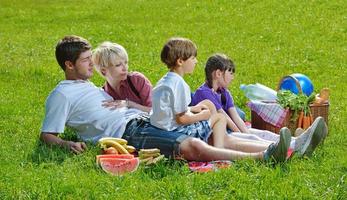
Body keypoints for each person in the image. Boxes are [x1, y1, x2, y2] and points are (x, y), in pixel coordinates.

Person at [150, 37, 294, 162]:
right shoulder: (180, 84)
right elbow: (181, 119)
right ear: (180, 61)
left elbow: (171, 109)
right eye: (193, 58)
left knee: (209, 107)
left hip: (163, 125)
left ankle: (224, 143)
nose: (196, 61)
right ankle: (220, 149)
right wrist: (202, 115)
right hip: (176, 129)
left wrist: (192, 109)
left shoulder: (165, 81)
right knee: (219, 118)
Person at [191, 53, 328, 157]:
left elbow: (235, 116)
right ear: (218, 73)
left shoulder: (224, 92)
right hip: (216, 135)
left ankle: (297, 141)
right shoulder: (204, 93)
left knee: (261, 133)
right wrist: (243, 134)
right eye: (230, 73)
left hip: (227, 131)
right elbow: (224, 117)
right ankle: (293, 147)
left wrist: (246, 131)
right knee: (252, 137)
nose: (233, 77)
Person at [92, 41, 152, 113]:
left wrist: (129, 104)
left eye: (126, 62)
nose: (125, 68)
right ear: (103, 71)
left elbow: (156, 112)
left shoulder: (137, 80)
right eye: (118, 65)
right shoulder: (104, 94)